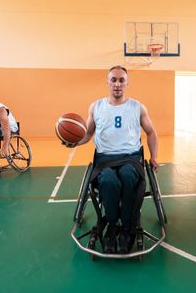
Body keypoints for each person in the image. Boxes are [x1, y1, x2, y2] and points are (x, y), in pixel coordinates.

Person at [64, 65, 159, 254]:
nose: (117, 84)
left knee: (127, 176)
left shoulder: (137, 107)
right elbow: (88, 133)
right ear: (107, 82)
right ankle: (111, 226)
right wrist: (74, 142)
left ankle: (127, 228)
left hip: (131, 158)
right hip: (104, 160)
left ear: (127, 83)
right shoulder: (96, 106)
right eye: (113, 80)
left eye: (121, 80)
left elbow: (151, 133)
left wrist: (154, 156)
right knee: (108, 181)